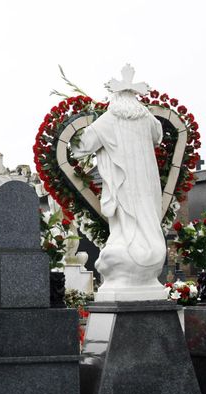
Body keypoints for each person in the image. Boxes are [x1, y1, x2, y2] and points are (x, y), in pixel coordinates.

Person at [71, 64, 165, 301]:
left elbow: (80, 146)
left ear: (115, 98)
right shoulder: (147, 119)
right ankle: (147, 253)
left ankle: (132, 253)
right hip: (146, 186)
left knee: (126, 225)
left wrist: (76, 125)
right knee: (145, 218)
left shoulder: (109, 119)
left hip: (125, 187)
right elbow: (159, 134)